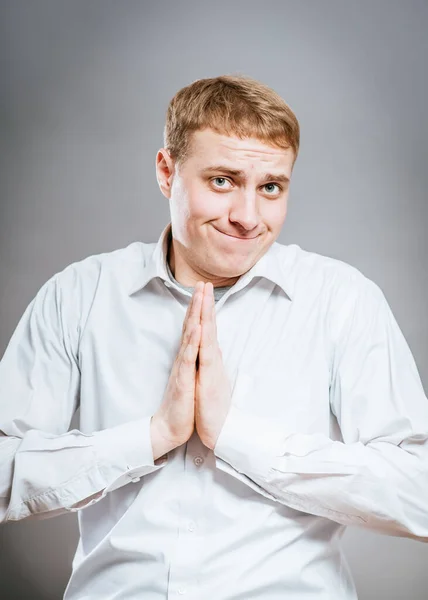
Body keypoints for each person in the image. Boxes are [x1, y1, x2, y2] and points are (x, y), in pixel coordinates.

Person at [0, 74, 427, 600]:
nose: (248, 218)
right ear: (166, 171)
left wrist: (235, 436)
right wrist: (151, 438)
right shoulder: (77, 295)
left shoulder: (343, 301)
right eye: (222, 180)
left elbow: (419, 493)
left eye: (270, 187)